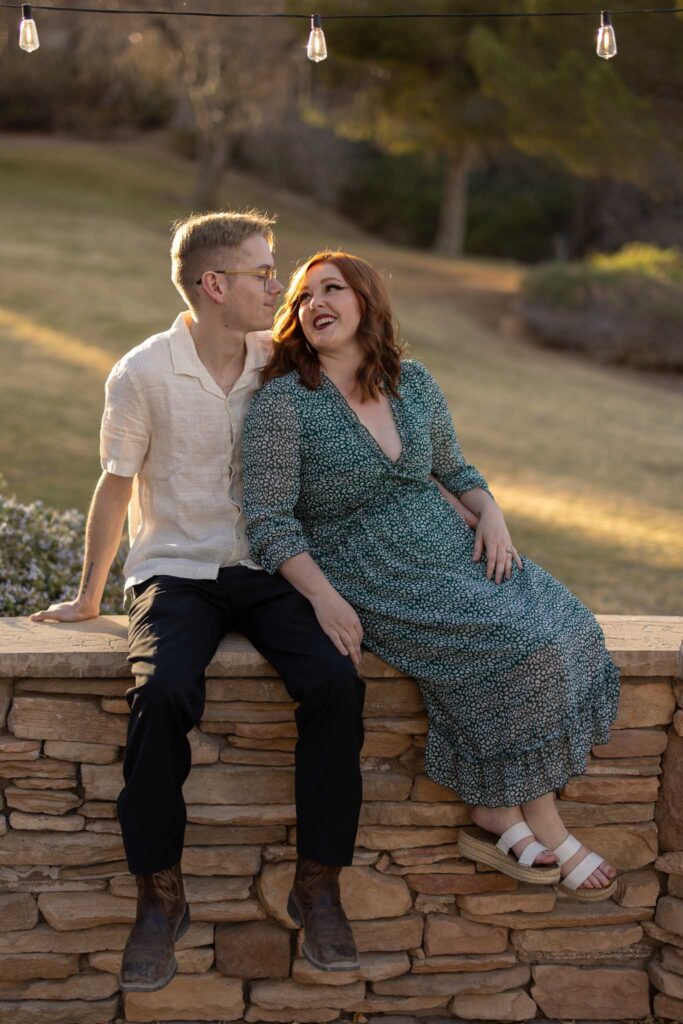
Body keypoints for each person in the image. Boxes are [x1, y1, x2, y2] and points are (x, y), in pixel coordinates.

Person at [30, 214, 366, 990]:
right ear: (215, 285)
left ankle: (318, 884)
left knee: (335, 681)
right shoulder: (142, 372)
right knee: (161, 692)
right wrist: (89, 597)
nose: (276, 287)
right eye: (262, 273)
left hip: (270, 567)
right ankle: (159, 896)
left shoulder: (279, 361)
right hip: (175, 573)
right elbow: (115, 487)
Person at [242, 250, 621, 902]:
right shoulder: (284, 404)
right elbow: (270, 523)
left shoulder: (412, 382)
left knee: (567, 626)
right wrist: (325, 598)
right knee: (509, 644)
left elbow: (456, 472)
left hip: (452, 545)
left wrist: (492, 516)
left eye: (330, 289)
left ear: (366, 301)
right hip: (369, 569)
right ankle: (545, 824)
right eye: (303, 297)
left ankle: (499, 810)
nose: (312, 305)